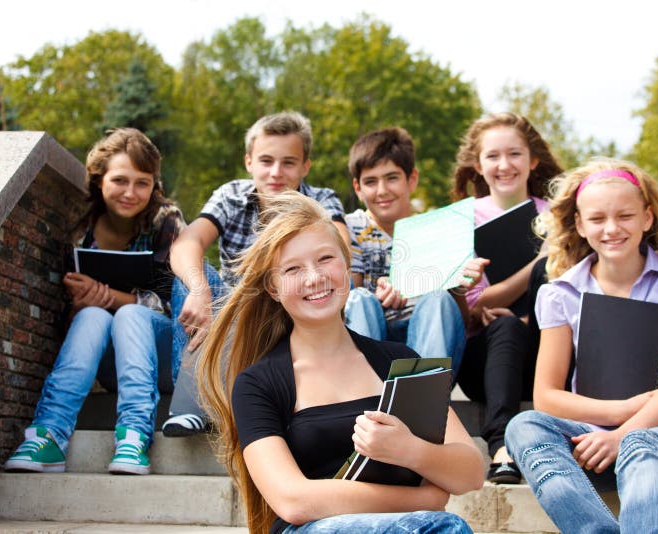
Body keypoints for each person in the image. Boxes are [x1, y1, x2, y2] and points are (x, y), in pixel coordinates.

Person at [197, 190, 484, 534]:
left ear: (347, 267)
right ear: (273, 288)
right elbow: (293, 501)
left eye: (325, 259)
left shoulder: (401, 361)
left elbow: (470, 472)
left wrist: (410, 450)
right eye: (292, 269)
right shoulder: (257, 384)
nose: (314, 277)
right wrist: (424, 501)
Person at [505, 159, 658, 533]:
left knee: (641, 444)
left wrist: (624, 435)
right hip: (590, 442)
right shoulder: (560, 293)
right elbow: (547, 396)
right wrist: (620, 414)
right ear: (580, 225)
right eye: (597, 219)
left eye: (625, 215)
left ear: (647, 218)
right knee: (523, 425)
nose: (612, 229)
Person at [4, 128, 184, 475]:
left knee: (129, 313)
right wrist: (82, 303)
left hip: (161, 353)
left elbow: (178, 305)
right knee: (92, 318)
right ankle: (49, 436)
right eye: (120, 180)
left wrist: (112, 298)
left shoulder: (166, 221)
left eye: (142, 182)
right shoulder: (80, 235)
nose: (131, 193)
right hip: (108, 363)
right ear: (99, 179)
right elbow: (68, 328)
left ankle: (134, 435)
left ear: (154, 185)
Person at [163, 111, 349, 436]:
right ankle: (195, 399)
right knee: (198, 274)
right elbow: (186, 243)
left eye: (288, 162)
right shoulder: (232, 195)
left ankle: (204, 403)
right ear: (249, 161)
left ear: (305, 166)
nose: (276, 172)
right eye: (266, 160)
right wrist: (198, 288)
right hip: (227, 316)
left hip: (288, 309)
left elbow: (341, 252)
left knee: (258, 296)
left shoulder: (321, 200)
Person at [451, 112, 563, 483]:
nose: (504, 165)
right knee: (504, 326)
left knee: (516, 319)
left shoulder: (560, 218)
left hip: (546, 350)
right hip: (484, 359)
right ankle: (502, 446)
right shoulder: (459, 220)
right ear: (478, 166)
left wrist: (529, 315)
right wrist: (539, 261)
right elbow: (471, 306)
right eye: (492, 156)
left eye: (514, 154)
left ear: (532, 160)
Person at [343, 127, 485, 373]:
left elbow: (460, 320)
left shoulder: (440, 230)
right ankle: (364, 393)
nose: (382, 190)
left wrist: (458, 288)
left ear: (412, 179)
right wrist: (379, 298)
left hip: (428, 343)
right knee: (360, 298)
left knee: (438, 298)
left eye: (392, 178)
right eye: (370, 182)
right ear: (358, 187)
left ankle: (420, 396)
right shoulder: (349, 228)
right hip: (371, 339)